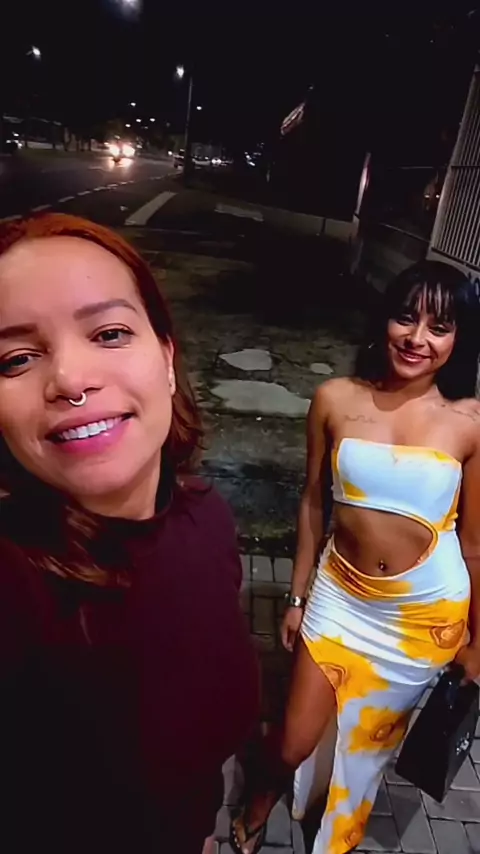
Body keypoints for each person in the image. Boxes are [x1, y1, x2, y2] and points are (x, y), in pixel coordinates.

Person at [0, 213, 260, 854]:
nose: (69, 379)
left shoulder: (206, 517)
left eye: (110, 333)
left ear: (167, 358)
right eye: (16, 359)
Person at [231, 260, 480, 854]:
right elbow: (313, 502)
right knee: (293, 739)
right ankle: (259, 801)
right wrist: (297, 595)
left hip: (422, 618)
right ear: (383, 321)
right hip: (340, 599)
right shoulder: (335, 399)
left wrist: (478, 640)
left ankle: (333, 828)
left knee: (367, 750)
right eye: (405, 318)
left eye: (439, 327)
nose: (417, 338)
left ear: (459, 339)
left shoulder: (471, 422)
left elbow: (473, 541)